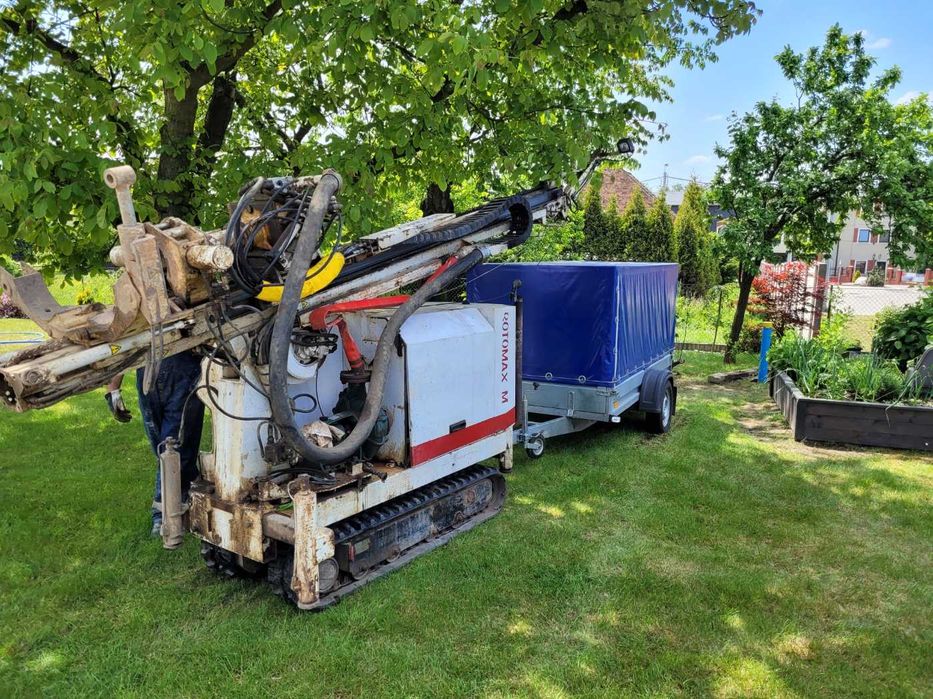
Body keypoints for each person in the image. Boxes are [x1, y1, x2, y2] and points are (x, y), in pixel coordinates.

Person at [136, 350, 205, 537]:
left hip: (169, 366)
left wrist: (113, 390)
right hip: (154, 368)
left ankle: (165, 513)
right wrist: (113, 391)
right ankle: (182, 499)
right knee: (167, 449)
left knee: (173, 448)